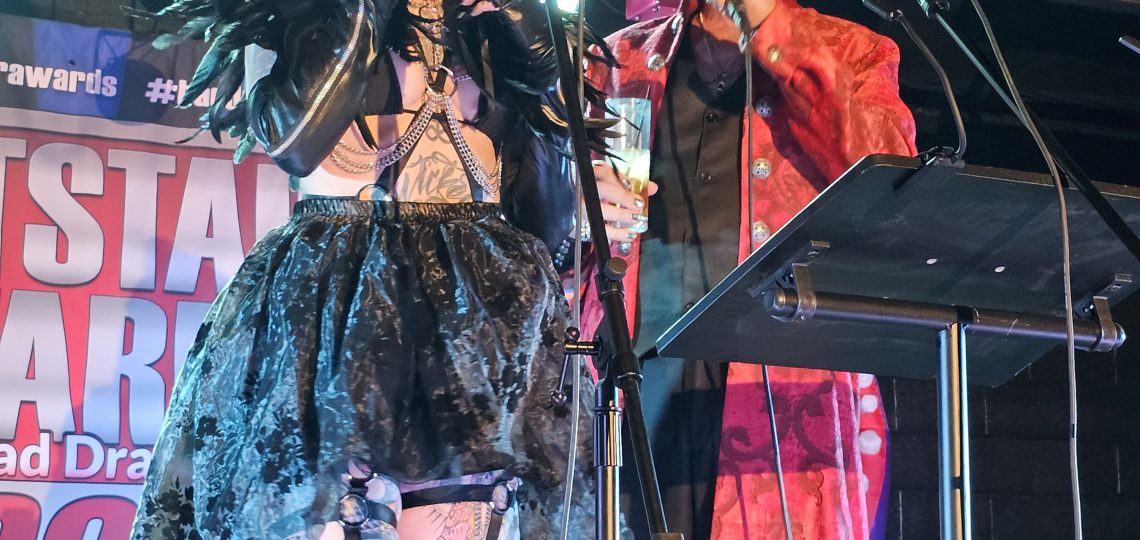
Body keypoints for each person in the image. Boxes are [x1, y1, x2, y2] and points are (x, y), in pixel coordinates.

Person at [130, 0, 613, 537]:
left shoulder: (497, 17)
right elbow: (294, 142)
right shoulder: (295, 9)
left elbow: (544, 223)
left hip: (473, 317)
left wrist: (525, 46)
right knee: (327, 514)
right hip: (337, 310)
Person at [582, 0, 918, 537]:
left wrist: (771, 29)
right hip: (633, 378)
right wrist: (576, 206)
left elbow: (892, 191)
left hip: (777, 392)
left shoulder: (853, 51)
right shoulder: (617, 59)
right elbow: (545, 226)